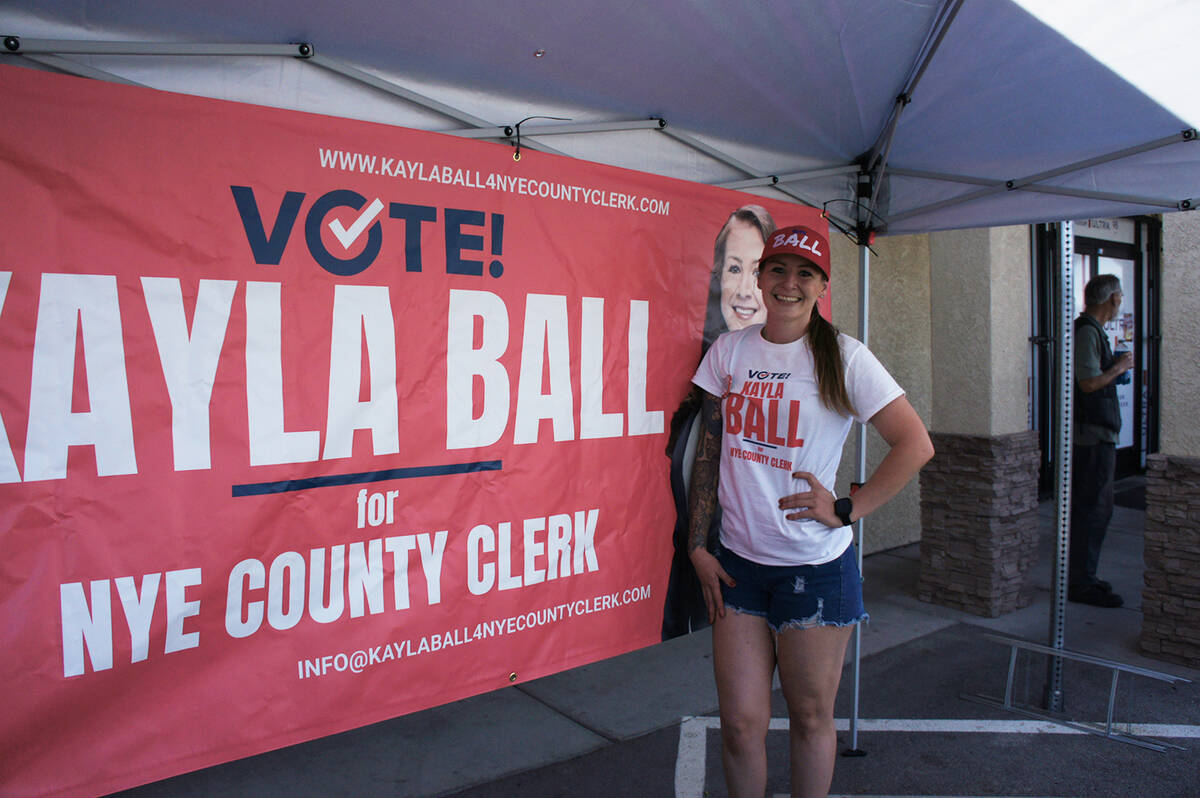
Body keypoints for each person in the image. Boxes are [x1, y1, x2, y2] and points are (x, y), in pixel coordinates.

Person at [687, 224, 934, 797]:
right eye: (778, 269)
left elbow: (915, 443)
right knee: (740, 726)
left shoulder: (845, 357)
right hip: (738, 568)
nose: (789, 283)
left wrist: (847, 508)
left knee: (810, 718)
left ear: (822, 286)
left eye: (805, 274)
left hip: (815, 571)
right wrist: (696, 544)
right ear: (760, 277)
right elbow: (708, 451)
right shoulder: (730, 350)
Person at [662, 205, 776, 640]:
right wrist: (696, 551)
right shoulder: (710, 375)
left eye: (758, 271)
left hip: (755, 584)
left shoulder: (788, 386)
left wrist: (847, 510)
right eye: (734, 268)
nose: (745, 289)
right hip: (694, 595)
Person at [1069, 274, 1133, 608]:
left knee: (1098, 510)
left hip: (1098, 436)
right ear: (1113, 299)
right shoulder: (1086, 332)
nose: (1121, 301)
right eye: (1120, 296)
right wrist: (1119, 367)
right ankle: (1080, 583)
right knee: (1092, 511)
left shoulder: (1093, 331)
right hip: (1091, 439)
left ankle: (1086, 578)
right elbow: (1088, 384)